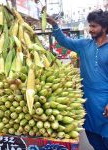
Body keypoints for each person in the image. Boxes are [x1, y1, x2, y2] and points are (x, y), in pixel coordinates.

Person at [47, 9, 108, 150]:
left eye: (94, 26)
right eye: (90, 25)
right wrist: (55, 25)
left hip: (105, 101)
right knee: (93, 138)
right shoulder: (84, 45)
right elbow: (64, 41)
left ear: (104, 28)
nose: (90, 29)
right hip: (88, 102)